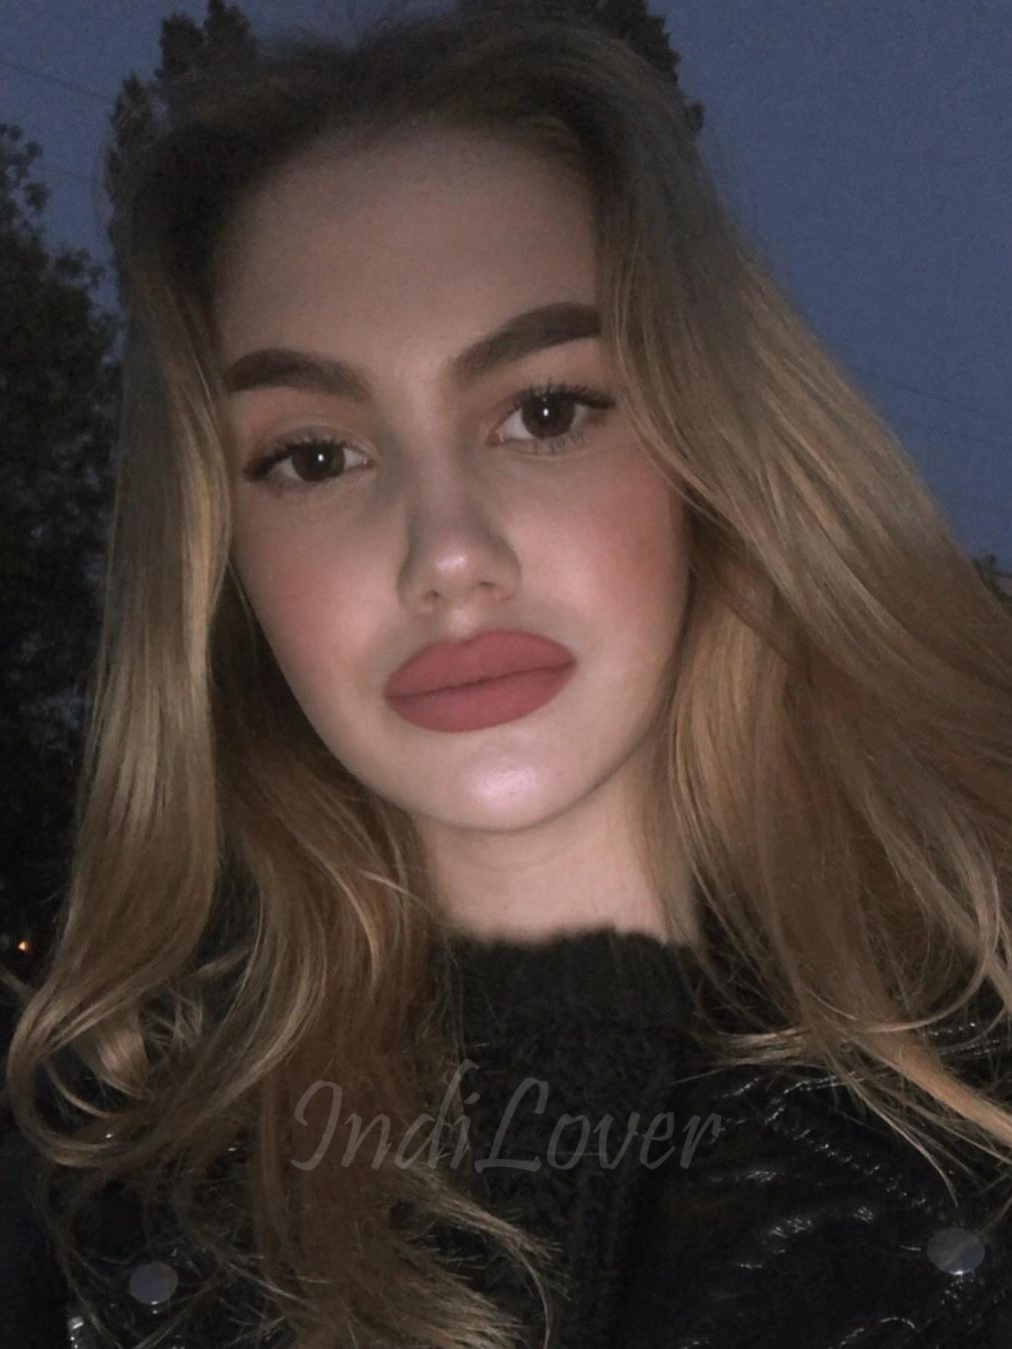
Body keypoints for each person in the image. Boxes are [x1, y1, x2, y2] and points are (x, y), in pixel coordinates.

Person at [3, 4, 1012, 1347]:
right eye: (315, 456)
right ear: (221, 562)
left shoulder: (975, 1099)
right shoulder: (95, 1217)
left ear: (710, 452)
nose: (449, 556)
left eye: (544, 412)